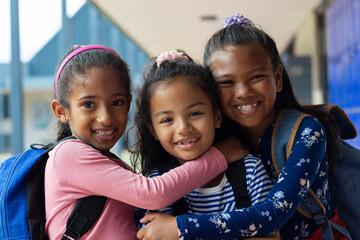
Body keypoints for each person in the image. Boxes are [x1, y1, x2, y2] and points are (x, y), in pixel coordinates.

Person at [137, 14, 347, 240]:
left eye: (255, 77)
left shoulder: (307, 131)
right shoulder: (215, 138)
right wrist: (217, 157)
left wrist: (179, 228)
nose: (243, 92)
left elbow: (272, 215)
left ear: (277, 78)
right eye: (227, 82)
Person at [44, 45, 246, 240]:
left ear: (129, 103)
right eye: (88, 105)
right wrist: (219, 156)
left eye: (117, 102)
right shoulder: (68, 155)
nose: (105, 117)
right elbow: (153, 193)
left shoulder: (115, 165)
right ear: (62, 111)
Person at [131, 49, 278, 239]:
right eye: (167, 120)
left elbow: (272, 236)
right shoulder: (155, 183)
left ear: (217, 117)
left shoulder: (249, 170)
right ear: (153, 131)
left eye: (194, 114)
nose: (183, 128)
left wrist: (180, 230)